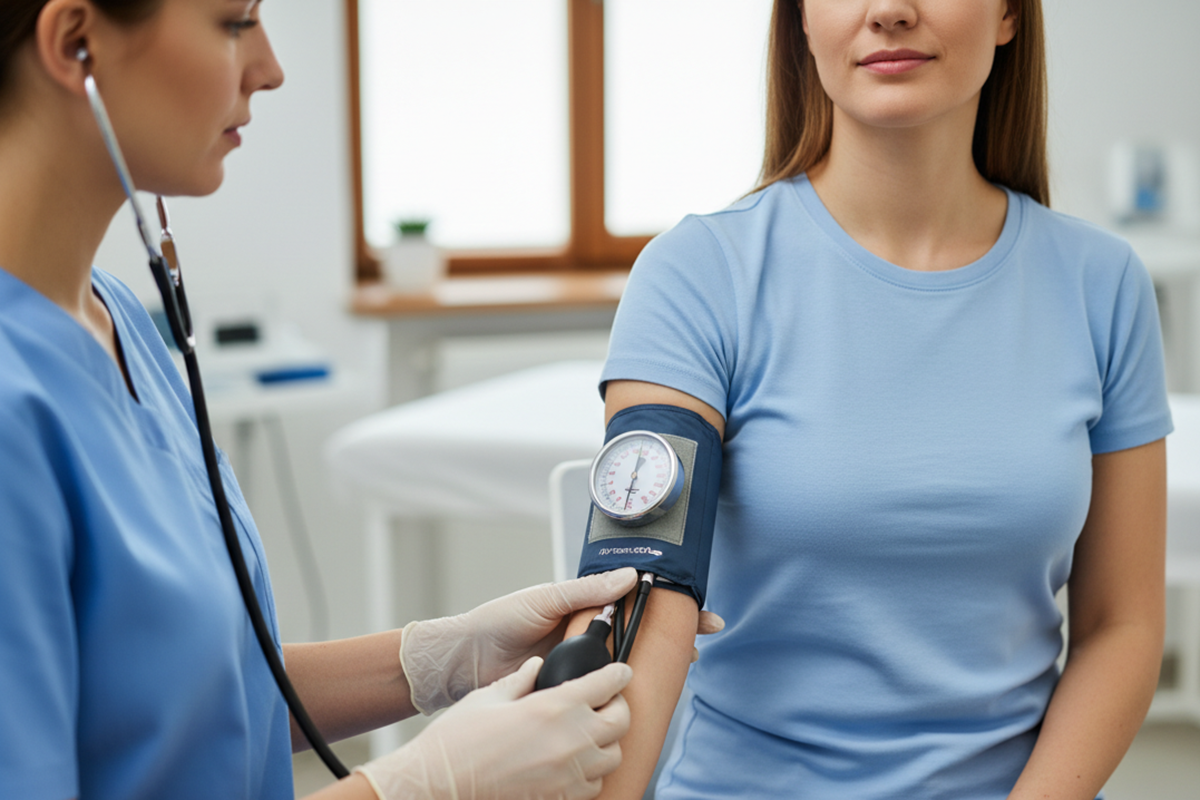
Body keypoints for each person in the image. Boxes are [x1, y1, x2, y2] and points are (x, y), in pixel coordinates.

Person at [0, 1, 727, 798]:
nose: (270, 69)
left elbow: (179, 702)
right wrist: (422, 784)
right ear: (76, 42)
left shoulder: (117, 320)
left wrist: (435, 660)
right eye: (235, 22)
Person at [564, 0, 1172, 797]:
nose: (889, 11)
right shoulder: (699, 274)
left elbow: (1119, 626)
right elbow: (647, 598)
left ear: (1008, 14)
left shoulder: (1101, 284)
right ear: (801, 20)